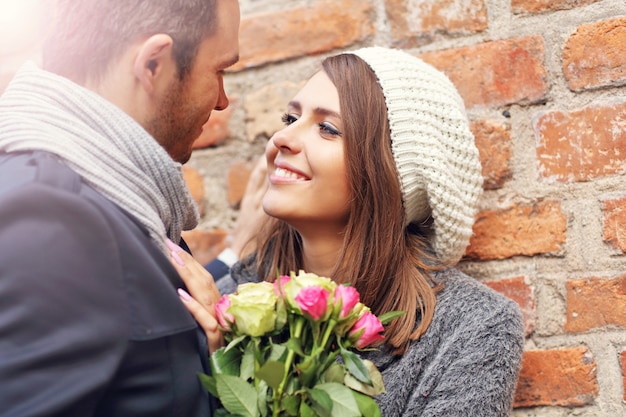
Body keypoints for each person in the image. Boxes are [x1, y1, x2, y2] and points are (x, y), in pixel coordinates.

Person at [175, 46, 525, 416]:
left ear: (391, 173)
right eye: (290, 118)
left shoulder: (471, 328)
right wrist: (223, 360)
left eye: (327, 128)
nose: (282, 138)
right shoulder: (230, 305)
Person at [0, 0, 239, 415]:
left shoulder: (115, 203)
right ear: (153, 64)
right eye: (219, 70)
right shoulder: (52, 220)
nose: (222, 101)